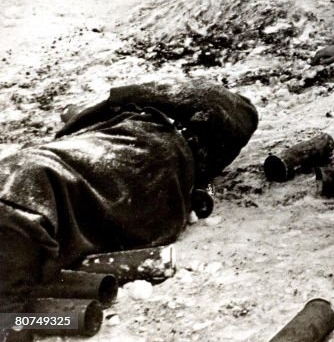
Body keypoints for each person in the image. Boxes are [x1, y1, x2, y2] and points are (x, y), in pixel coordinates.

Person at [0, 81, 258, 309]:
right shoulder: (216, 139)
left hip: (126, 156)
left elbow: (101, 108)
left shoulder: (174, 99)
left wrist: (71, 130)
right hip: (155, 194)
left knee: (30, 182)